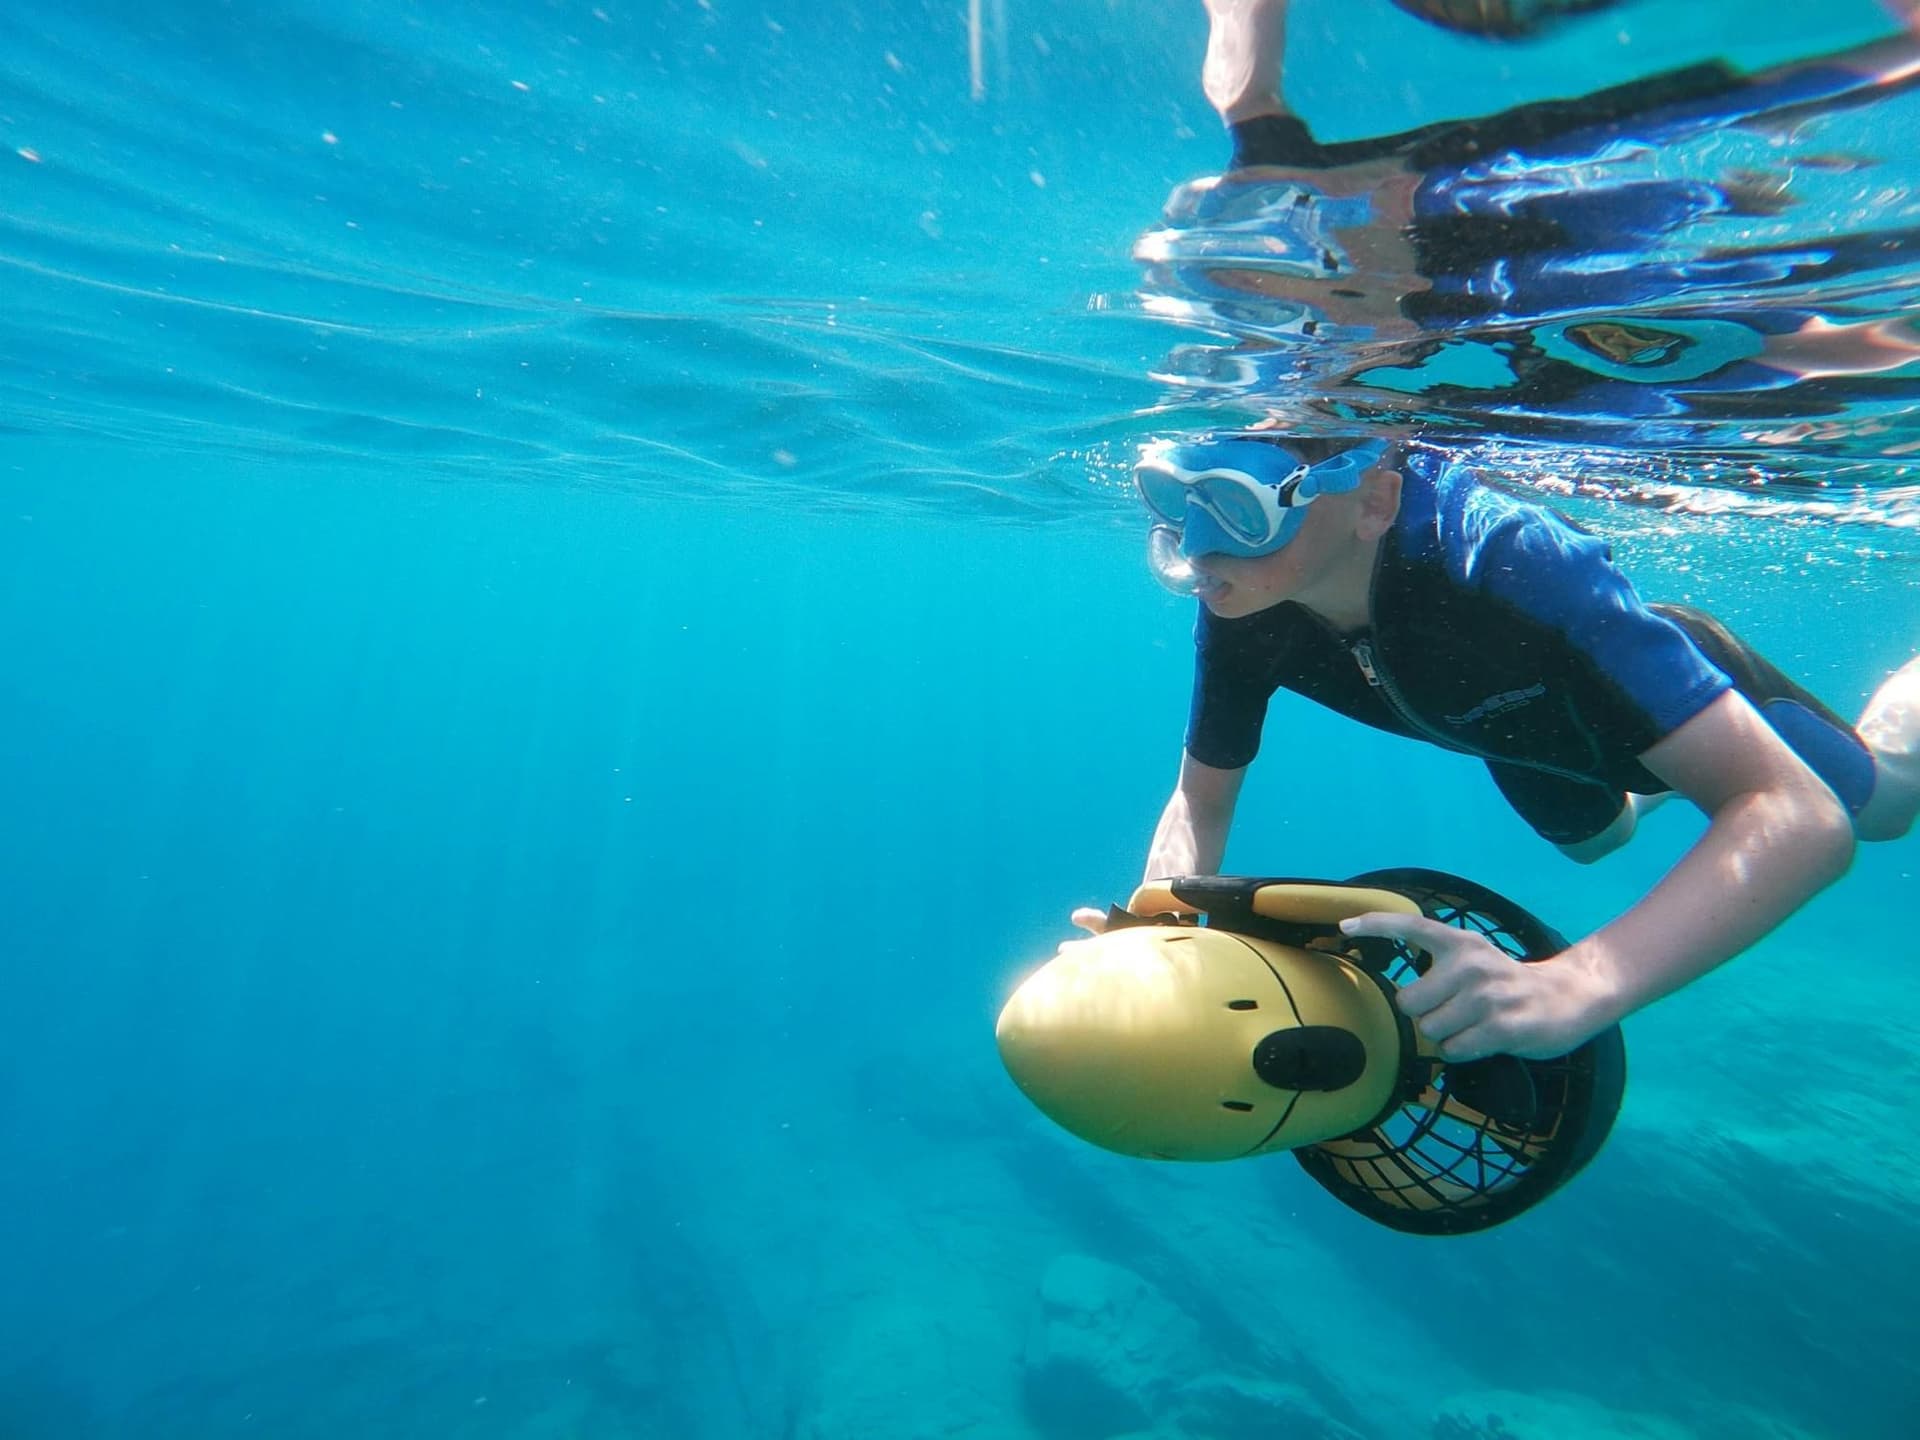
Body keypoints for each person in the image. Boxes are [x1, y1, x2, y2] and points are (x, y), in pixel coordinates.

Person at [1071, 432, 1920, 1065]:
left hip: (1652, 697)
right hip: (1513, 733)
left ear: (1372, 502)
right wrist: (1160, 934)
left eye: (1233, 507)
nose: (1194, 547)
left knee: (1881, 805)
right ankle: (1674, 782)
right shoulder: (1243, 606)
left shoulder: (1502, 555)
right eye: (1177, 502)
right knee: (1600, 840)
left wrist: (1575, 983)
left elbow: (1801, 821)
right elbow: (1202, 799)